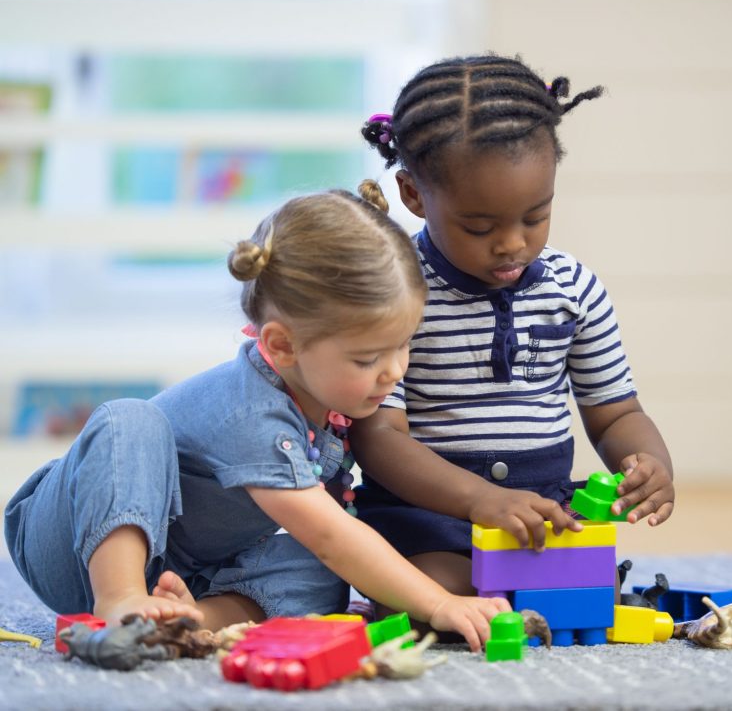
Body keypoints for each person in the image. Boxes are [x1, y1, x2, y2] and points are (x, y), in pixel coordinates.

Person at [4, 181, 509, 651]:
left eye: (403, 346)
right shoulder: (254, 414)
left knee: (320, 574)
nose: (394, 372)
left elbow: (329, 543)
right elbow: (334, 532)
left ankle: (189, 619)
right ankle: (121, 601)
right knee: (129, 420)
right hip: (70, 542)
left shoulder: (326, 398)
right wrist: (439, 602)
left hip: (188, 564)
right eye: (366, 359)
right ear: (282, 345)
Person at [352, 54, 675, 608]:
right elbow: (378, 437)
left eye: (535, 216)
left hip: (541, 513)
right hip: (429, 514)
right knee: (430, 588)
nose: (512, 244)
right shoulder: (396, 291)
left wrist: (648, 464)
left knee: (593, 591)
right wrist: (478, 501)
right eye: (479, 226)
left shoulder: (574, 291)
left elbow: (616, 412)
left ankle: (521, 591)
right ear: (413, 195)